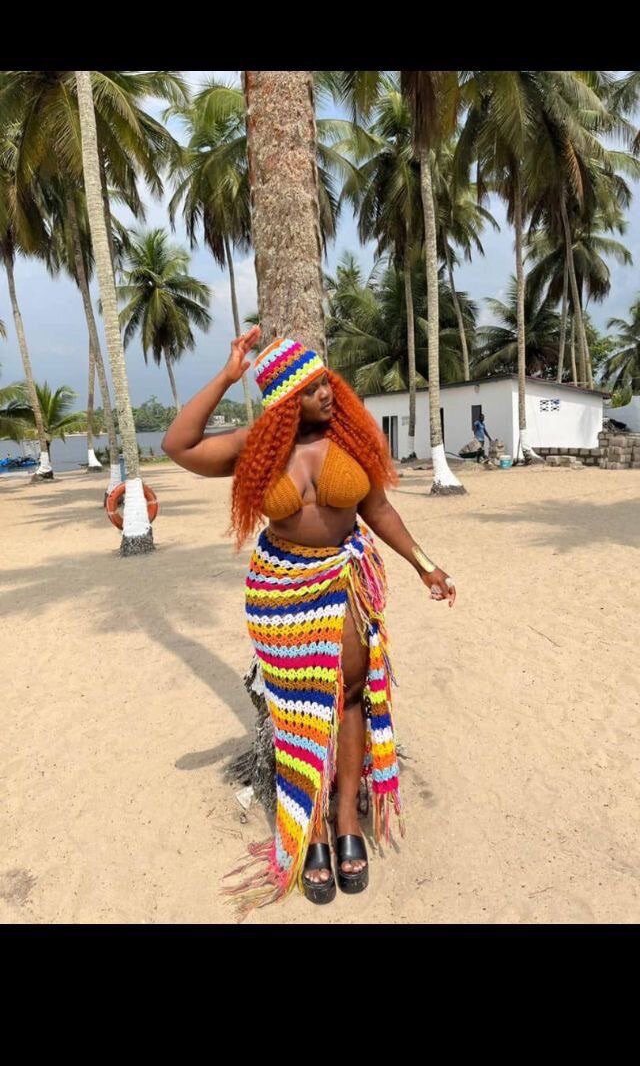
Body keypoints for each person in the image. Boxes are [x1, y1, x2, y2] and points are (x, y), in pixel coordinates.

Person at [162, 328, 456, 917]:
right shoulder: (256, 447)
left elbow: (378, 509)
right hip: (280, 593)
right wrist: (228, 376)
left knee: (349, 697)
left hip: (343, 582)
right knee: (297, 713)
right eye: (311, 388)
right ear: (283, 402)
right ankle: (312, 827)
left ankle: (345, 817)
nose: (327, 392)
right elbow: (178, 444)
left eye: (326, 381)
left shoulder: (351, 437)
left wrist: (425, 564)